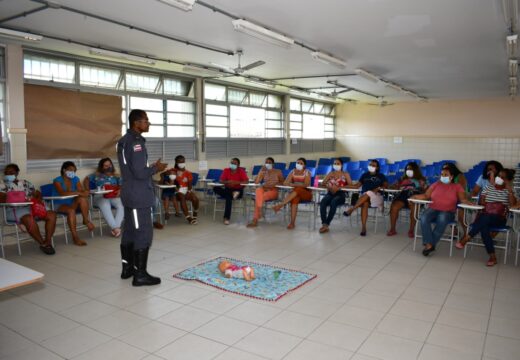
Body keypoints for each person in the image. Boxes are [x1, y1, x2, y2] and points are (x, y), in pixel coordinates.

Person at [117, 109, 167, 286]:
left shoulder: (124, 140)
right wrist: (156, 168)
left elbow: (133, 168)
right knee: (143, 233)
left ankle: (127, 269)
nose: (148, 124)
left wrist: (151, 167)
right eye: (146, 121)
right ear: (136, 123)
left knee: (130, 230)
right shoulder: (136, 142)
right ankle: (140, 275)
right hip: (138, 195)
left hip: (130, 192)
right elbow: (139, 172)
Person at [456, 169, 517, 266]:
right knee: (484, 228)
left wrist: (510, 191)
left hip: (499, 218)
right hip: (486, 215)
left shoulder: (509, 189)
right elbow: (481, 202)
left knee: (486, 219)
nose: (499, 178)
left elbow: (512, 205)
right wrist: (484, 200)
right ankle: (492, 257)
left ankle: (467, 237)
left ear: (507, 180)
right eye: (499, 176)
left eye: (502, 177)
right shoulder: (489, 186)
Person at [410, 166, 470, 256]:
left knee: (441, 219)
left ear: (451, 177)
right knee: (424, 217)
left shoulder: (457, 186)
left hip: (448, 211)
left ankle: (429, 244)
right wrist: (414, 197)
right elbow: (426, 195)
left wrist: (470, 203)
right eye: (442, 174)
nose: (443, 176)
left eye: (446, 174)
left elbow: (463, 200)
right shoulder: (436, 184)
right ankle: (430, 244)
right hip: (433, 208)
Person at [0, 163, 57, 255]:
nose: (8, 174)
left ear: (17, 173)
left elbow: (37, 193)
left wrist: (38, 199)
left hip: (31, 207)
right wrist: (15, 196)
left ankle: (48, 241)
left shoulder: (25, 183)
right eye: (6, 173)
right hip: (13, 210)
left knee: (52, 214)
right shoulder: (2, 186)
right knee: (28, 218)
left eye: (11, 172)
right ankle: (43, 244)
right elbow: (2, 199)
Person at [53, 161, 95, 246]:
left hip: (71, 202)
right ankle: (75, 237)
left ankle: (85, 220)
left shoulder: (75, 179)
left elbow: (81, 191)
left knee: (82, 199)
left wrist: (85, 191)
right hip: (59, 204)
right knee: (71, 211)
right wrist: (79, 193)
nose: (73, 172)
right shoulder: (57, 180)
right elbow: (62, 193)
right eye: (70, 170)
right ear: (64, 170)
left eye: (74, 171)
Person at [344, 159, 388, 236]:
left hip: (377, 196)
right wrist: (345, 186)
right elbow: (357, 186)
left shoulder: (381, 176)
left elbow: (385, 186)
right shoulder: (364, 175)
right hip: (365, 197)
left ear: (377, 168)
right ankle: (363, 228)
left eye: (373, 165)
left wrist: (378, 188)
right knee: (365, 203)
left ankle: (352, 209)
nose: (371, 166)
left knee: (368, 193)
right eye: (370, 165)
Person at [83, 158, 124, 237]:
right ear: (101, 167)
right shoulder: (96, 175)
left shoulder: (116, 175)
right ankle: (115, 228)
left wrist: (120, 190)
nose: (108, 167)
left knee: (121, 205)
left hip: (113, 195)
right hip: (100, 196)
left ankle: (116, 228)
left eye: (109, 165)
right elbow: (86, 179)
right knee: (105, 204)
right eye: (106, 166)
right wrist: (87, 189)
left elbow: (122, 185)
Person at [387, 162, 428, 237]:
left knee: (414, 208)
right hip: (403, 195)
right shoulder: (402, 179)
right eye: (407, 169)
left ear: (415, 170)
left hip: (415, 195)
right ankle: (392, 229)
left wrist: (422, 187)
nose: (408, 170)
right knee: (394, 207)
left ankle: (411, 230)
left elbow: (427, 191)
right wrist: (394, 186)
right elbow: (393, 186)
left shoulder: (422, 179)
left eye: (411, 169)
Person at [273, 157, 312, 230]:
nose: (299, 164)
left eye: (301, 163)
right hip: (296, 194)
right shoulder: (292, 171)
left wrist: (293, 184)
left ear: (304, 165)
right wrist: (293, 184)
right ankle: (292, 223)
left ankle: (281, 205)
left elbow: (306, 184)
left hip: (306, 194)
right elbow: (285, 182)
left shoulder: (307, 172)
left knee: (298, 189)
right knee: (294, 200)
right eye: (298, 163)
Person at [247, 157, 284, 228]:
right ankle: (259, 214)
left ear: (273, 164)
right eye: (266, 162)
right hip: (264, 188)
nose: (268, 164)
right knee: (258, 190)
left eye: (269, 162)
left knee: (259, 198)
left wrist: (275, 184)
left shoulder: (278, 171)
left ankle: (256, 219)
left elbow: (283, 182)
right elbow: (256, 182)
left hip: (273, 190)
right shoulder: (264, 172)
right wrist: (260, 171)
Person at [318, 158, 352, 233]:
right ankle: (324, 223)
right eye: (335, 164)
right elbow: (323, 183)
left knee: (334, 202)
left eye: (338, 164)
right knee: (323, 201)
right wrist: (328, 186)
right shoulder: (331, 173)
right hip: (330, 193)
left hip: (341, 194)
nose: (336, 165)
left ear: (341, 165)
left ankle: (326, 224)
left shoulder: (345, 174)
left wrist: (339, 188)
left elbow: (350, 185)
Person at [213, 158, 248, 225]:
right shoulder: (226, 170)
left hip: (238, 190)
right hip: (228, 189)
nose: (233, 164)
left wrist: (236, 182)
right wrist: (227, 181)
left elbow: (246, 181)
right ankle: (232, 194)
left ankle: (226, 218)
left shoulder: (241, 171)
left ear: (238, 165)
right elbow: (220, 180)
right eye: (232, 163)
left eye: (235, 163)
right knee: (215, 188)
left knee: (228, 198)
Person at [172, 155, 199, 224]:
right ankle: (188, 218)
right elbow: (163, 175)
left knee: (195, 199)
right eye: (180, 162)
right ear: (176, 162)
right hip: (177, 191)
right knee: (182, 197)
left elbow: (190, 185)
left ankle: (195, 212)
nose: (182, 163)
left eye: (183, 162)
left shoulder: (188, 173)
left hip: (187, 189)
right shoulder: (173, 171)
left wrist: (189, 191)